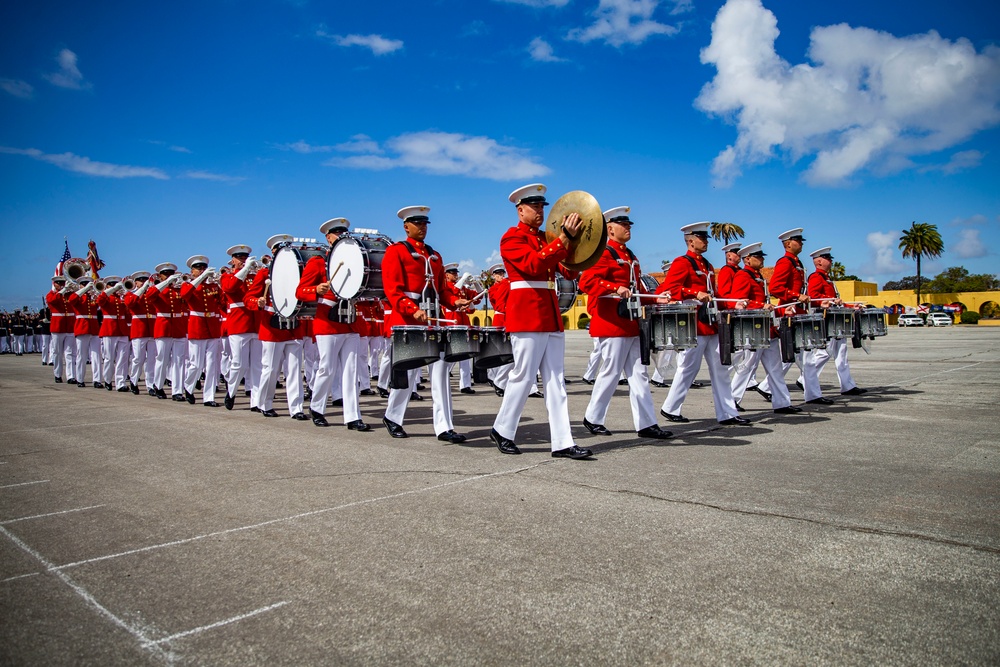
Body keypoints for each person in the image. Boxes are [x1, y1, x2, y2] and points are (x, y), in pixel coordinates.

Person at [490, 183, 593, 459]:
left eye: (542, 206)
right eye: (534, 206)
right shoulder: (511, 238)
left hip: (549, 314)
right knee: (523, 376)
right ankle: (503, 429)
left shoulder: (547, 238)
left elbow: (567, 273)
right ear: (520, 210)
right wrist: (562, 241)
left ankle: (562, 442)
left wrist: (574, 245)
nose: (539, 210)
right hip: (527, 315)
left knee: (556, 381)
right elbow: (534, 265)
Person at [578, 206, 672, 440]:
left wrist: (654, 297)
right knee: (610, 372)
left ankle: (647, 423)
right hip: (612, 323)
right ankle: (593, 418)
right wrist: (613, 288)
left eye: (629, 224)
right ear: (610, 228)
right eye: (623, 224)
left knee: (639, 373)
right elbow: (587, 282)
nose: (628, 228)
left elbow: (636, 287)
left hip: (630, 322)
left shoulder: (630, 255)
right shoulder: (603, 253)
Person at [380, 206, 468, 442]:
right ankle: (393, 417)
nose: (422, 227)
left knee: (440, 374)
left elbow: (441, 292)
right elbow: (393, 291)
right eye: (417, 223)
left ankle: (444, 426)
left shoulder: (435, 256)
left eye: (425, 223)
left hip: (433, 321)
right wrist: (413, 310)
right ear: (406, 226)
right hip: (408, 321)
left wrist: (454, 302)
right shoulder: (396, 252)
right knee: (407, 375)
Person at [655, 222, 749, 426]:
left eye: (706, 238)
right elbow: (669, 290)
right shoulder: (682, 262)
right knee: (689, 367)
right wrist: (692, 293)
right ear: (690, 241)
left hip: (710, 323)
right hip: (694, 323)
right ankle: (670, 407)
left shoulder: (706, 264)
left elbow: (714, 294)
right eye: (702, 238)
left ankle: (728, 413)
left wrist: (733, 302)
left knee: (721, 368)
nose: (706, 241)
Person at [295, 218, 371, 431]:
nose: (341, 236)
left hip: (349, 320)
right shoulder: (318, 263)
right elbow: (299, 291)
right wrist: (315, 290)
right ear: (328, 238)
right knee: (327, 367)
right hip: (327, 320)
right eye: (336, 233)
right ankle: (317, 407)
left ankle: (353, 416)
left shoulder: (356, 262)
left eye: (344, 232)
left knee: (351, 370)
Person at [727, 243, 801, 414]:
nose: (762, 259)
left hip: (766, 329)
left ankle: (782, 402)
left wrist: (781, 309)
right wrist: (761, 306)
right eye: (758, 257)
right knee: (747, 367)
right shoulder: (743, 276)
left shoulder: (757, 276)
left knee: (775, 367)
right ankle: (731, 400)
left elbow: (765, 304)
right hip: (754, 330)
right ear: (747, 259)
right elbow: (738, 301)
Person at [758, 228, 829, 404]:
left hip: (798, 312)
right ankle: (808, 394)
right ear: (788, 244)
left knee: (802, 356)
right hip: (789, 313)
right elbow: (775, 288)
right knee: (797, 356)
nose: (801, 243)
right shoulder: (785, 262)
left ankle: (811, 394)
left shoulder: (796, 263)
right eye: (798, 240)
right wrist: (796, 297)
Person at [246, 235, 307, 419]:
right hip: (272, 325)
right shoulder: (265, 274)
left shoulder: (299, 271)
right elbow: (248, 299)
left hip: (293, 325)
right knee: (270, 369)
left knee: (295, 370)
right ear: (273, 253)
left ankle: (296, 408)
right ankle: (264, 403)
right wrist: (258, 301)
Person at [807, 246, 866, 396]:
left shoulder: (827, 278)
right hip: (826, 319)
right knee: (824, 353)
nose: (830, 261)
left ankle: (847, 385)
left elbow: (834, 301)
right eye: (827, 259)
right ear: (819, 262)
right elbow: (813, 298)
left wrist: (851, 306)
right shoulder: (816, 277)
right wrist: (826, 301)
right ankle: (804, 378)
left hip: (835, 319)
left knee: (841, 353)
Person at [220, 245, 262, 410]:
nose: (243, 260)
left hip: (256, 322)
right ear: (232, 260)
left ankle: (256, 401)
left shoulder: (254, 275)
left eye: (245, 257)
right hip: (239, 323)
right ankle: (231, 392)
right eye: (239, 258)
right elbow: (230, 287)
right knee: (239, 363)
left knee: (257, 364)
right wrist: (244, 270)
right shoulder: (227, 276)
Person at [180, 255, 225, 406]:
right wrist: (200, 279)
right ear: (192, 271)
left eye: (203, 268)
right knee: (196, 364)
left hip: (212, 326)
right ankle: (189, 386)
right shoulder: (188, 285)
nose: (201, 271)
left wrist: (220, 284)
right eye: (198, 269)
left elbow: (222, 303)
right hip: (197, 326)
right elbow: (185, 296)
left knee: (212, 364)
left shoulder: (212, 286)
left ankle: (209, 397)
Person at [149, 263, 188, 400]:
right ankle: (158, 386)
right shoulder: (157, 289)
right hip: (163, 327)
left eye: (171, 274)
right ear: (160, 276)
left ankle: (177, 391)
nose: (170, 276)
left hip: (178, 327)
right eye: (166, 274)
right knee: (162, 359)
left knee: (179, 361)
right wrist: (165, 282)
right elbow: (150, 295)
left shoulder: (178, 289)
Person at [441, 263, 479, 394]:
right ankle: (442, 378)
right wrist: (463, 280)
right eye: (453, 273)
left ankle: (465, 384)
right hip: (452, 322)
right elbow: (453, 293)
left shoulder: (462, 288)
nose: (456, 275)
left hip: (463, 322)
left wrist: (477, 284)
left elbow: (476, 298)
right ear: (446, 275)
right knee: (450, 354)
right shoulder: (446, 286)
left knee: (465, 356)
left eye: (457, 273)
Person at [95, 276, 131, 391]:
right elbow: (99, 300)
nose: (115, 287)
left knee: (122, 358)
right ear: (107, 286)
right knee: (109, 358)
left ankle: (120, 383)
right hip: (109, 329)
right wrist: (111, 289)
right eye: (112, 285)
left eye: (116, 284)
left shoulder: (122, 297)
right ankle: (107, 380)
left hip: (122, 329)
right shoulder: (106, 297)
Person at [68, 278, 103, 388]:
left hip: (94, 327)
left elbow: (100, 304)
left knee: (96, 355)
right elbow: (72, 299)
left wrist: (97, 292)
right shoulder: (78, 296)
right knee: (81, 355)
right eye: (85, 285)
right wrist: (85, 289)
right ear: (81, 286)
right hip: (82, 327)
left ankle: (97, 380)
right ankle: (80, 379)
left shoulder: (92, 297)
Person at [46, 275, 77, 383]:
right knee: (57, 353)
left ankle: (71, 376)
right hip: (58, 327)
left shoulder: (69, 295)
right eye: (59, 283)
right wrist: (64, 290)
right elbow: (54, 300)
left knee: (69, 353)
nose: (61, 285)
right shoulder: (51, 295)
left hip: (69, 327)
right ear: (54, 284)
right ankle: (58, 374)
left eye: (63, 283)